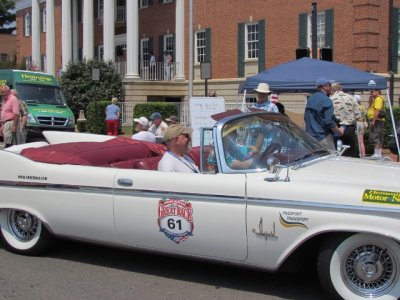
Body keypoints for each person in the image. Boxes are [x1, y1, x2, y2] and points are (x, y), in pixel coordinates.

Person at [304, 77, 343, 150]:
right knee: (330, 160)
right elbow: (329, 122)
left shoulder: (310, 99)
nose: (331, 87)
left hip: (310, 138)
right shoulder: (327, 100)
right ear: (324, 86)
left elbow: (306, 118)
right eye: (329, 85)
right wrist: (339, 131)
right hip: (323, 138)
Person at [330, 82, 361, 157]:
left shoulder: (330, 99)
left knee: (337, 152)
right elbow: (358, 115)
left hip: (336, 128)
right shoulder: (351, 98)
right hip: (349, 128)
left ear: (332, 90)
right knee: (350, 152)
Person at [367, 89, 385, 158]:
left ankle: (376, 153)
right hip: (379, 120)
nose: (371, 93)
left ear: (378, 92)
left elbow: (377, 110)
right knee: (379, 136)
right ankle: (378, 153)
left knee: (376, 135)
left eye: (372, 91)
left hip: (377, 120)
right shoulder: (377, 99)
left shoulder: (378, 99)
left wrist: (373, 120)